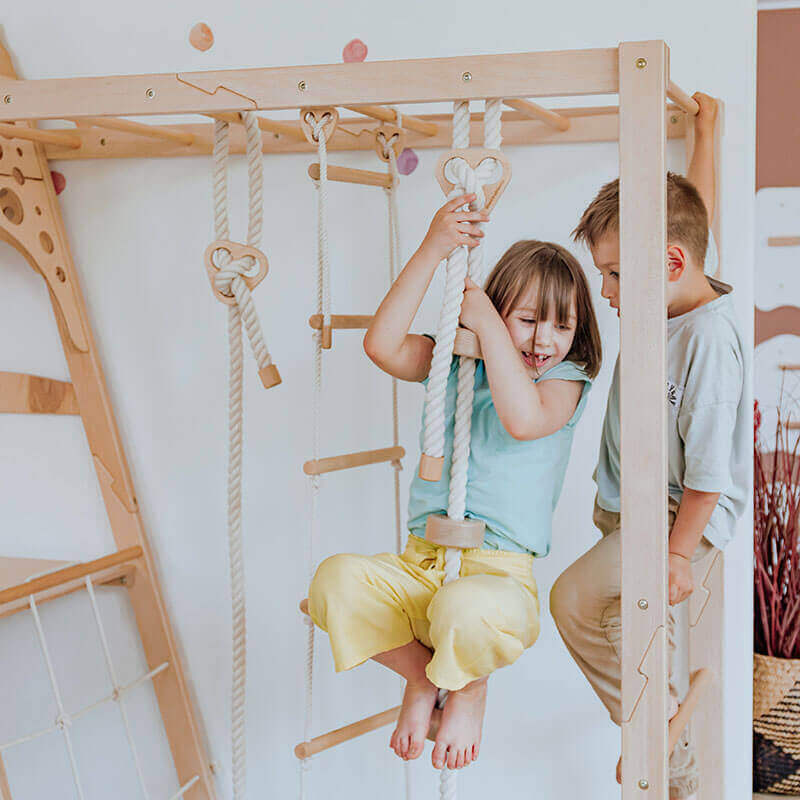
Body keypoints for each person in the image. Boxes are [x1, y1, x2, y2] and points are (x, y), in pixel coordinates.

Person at [307, 193, 602, 771]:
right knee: (334, 582)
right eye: (527, 320)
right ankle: (423, 678)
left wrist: (489, 323)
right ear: (496, 310)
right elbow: (381, 345)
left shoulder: (564, 382)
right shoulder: (455, 363)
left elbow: (522, 420)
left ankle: (467, 688)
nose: (544, 340)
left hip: (497, 580)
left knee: (465, 608)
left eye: (562, 325)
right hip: (421, 563)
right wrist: (434, 249)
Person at [550, 93, 747, 799]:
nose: (604, 290)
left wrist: (677, 555)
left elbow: (710, 474)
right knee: (625, 627)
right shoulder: (676, 280)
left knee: (573, 602)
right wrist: (705, 131)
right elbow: (699, 211)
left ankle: (654, 732)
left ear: (668, 262)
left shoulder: (706, 341)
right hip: (631, 504)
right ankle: (673, 755)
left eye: (613, 273)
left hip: (673, 515)